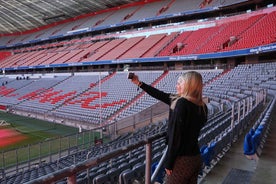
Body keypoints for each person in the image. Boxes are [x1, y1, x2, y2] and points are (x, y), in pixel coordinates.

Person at [129, 71, 208, 184]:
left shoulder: (181, 104)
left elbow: (176, 137)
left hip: (182, 161)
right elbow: (159, 94)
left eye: (180, 83)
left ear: (189, 85)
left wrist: (169, 162)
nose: (177, 85)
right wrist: (139, 83)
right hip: (195, 157)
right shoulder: (202, 106)